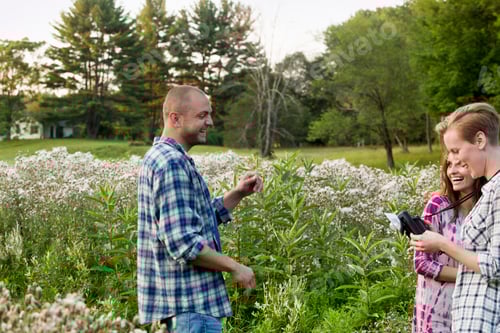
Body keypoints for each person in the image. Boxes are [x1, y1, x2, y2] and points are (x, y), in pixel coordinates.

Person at [137, 85, 263, 332]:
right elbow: (183, 242)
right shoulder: (172, 163)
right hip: (190, 309)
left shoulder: (162, 157)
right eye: (202, 115)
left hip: (180, 309)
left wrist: (238, 193)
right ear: (176, 118)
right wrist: (235, 267)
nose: (211, 122)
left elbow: (195, 220)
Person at [410, 102, 500, 332]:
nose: (453, 163)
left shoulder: (497, 192)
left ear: (480, 141)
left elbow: (495, 265)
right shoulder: (489, 192)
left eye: (456, 151)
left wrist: (440, 243)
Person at [413, 151, 484, 332]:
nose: (452, 171)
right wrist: (475, 276)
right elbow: (421, 263)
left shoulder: (488, 207)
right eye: (449, 165)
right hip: (437, 309)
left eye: (461, 164)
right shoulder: (437, 205)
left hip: (474, 306)